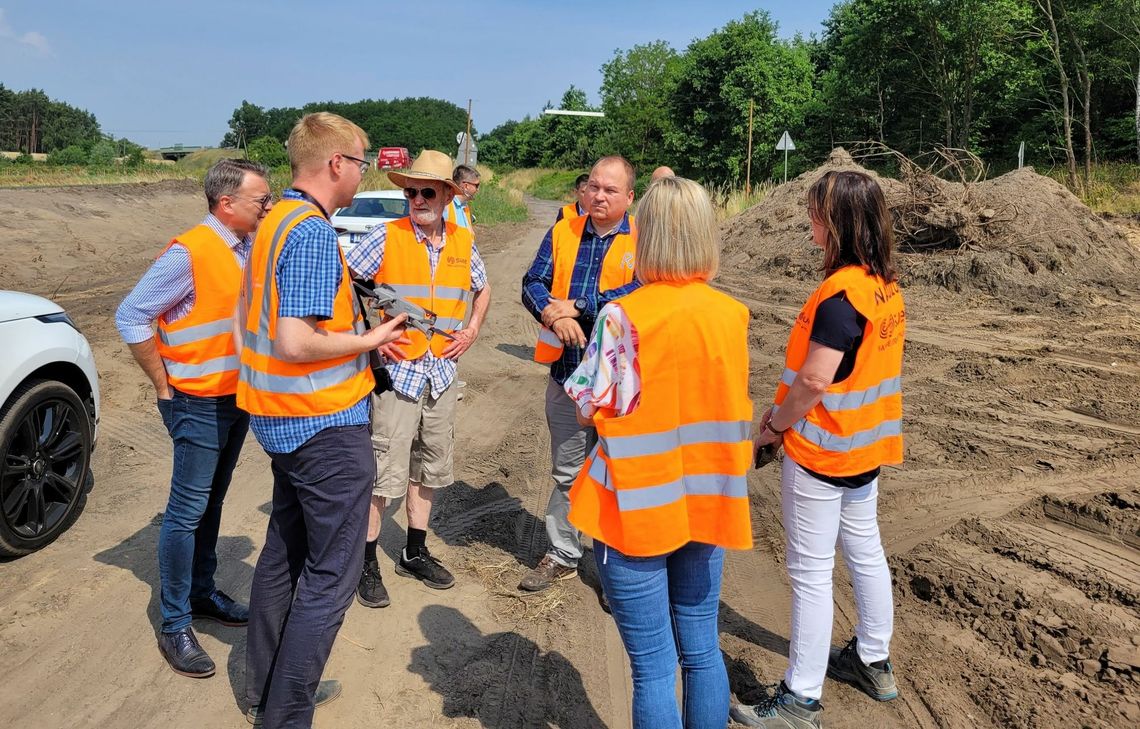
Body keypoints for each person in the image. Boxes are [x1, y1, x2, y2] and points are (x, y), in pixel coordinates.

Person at [238, 112, 409, 728]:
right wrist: (370, 341)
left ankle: (266, 688)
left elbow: (294, 331)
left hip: (281, 417)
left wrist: (359, 334)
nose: (364, 173)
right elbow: (295, 341)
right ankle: (286, 715)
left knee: (284, 551)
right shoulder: (309, 232)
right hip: (321, 423)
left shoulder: (274, 220)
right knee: (331, 573)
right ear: (338, 163)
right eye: (362, 161)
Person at [565, 176, 754, 728]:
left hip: (636, 510)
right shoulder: (731, 315)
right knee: (702, 651)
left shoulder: (622, 317)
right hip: (708, 503)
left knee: (652, 669)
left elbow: (587, 409)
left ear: (645, 236)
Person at [730, 170, 905, 729]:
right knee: (865, 549)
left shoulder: (839, 296)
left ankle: (801, 699)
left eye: (817, 214)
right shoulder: (884, 284)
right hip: (865, 452)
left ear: (840, 223)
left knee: (809, 572)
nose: (811, 223)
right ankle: (872, 659)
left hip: (821, 456)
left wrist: (776, 428)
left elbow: (813, 381)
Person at [116, 158, 271, 679]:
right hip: (197, 403)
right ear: (226, 203)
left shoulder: (245, 248)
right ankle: (175, 621)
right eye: (259, 200)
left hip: (235, 400)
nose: (266, 206)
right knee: (186, 512)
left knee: (212, 502)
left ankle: (202, 595)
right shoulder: (190, 252)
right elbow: (131, 314)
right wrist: (164, 387)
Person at [347, 150, 491, 608]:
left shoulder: (463, 242)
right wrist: (368, 337)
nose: (416, 199)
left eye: (427, 191)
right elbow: (345, 282)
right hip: (399, 374)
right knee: (383, 471)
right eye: (410, 191)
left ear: (449, 194)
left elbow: (482, 287)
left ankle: (414, 549)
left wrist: (472, 329)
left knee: (429, 466)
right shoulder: (385, 237)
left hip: (442, 373)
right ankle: (366, 562)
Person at [519, 156, 639, 593]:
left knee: (618, 475)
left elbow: (643, 288)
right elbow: (532, 283)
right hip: (567, 376)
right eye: (593, 187)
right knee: (568, 472)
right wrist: (554, 317)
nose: (598, 196)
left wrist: (584, 306)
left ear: (629, 197)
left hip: (620, 385)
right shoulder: (562, 232)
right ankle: (562, 553)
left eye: (610, 190)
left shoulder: (643, 239)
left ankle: (616, 570)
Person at [444, 163, 480, 230]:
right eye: (476, 186)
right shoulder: (445, 207)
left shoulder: (465, 206)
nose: (478, 190)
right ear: (466, 186)